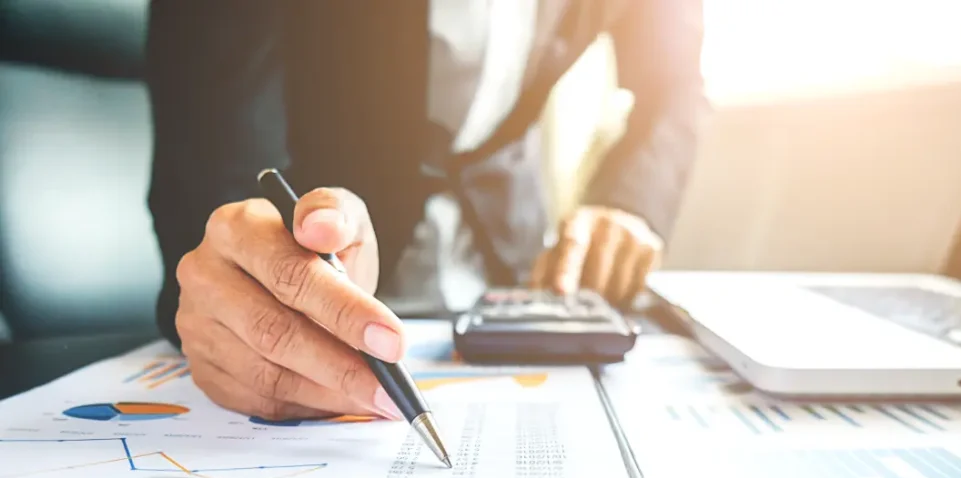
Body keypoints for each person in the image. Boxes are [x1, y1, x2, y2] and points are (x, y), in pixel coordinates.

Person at [145, 0, 706, 422]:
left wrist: (632, 204)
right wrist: (237, 277)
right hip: (324, 270)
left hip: (516, 278)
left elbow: (674, 80)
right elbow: (213, 138)